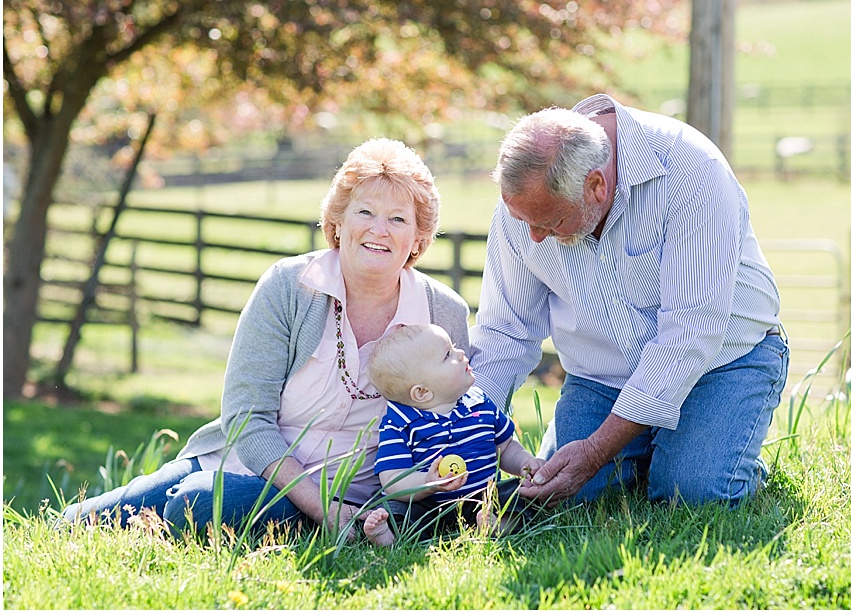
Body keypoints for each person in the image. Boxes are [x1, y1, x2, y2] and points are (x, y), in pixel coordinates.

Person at [61, 138, 471, 539]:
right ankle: (302, 522)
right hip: (249, 467)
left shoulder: (442, 312)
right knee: (84, 523)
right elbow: (247, 417)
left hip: (367, 501)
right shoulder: (288, 287)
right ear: (338, 222)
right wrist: (322, 509)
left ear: (419, 237)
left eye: (398, 219)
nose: (379, 230)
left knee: (197, 505)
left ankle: (309, 523)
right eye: (365, 211)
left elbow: (462, 419)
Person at [469, 93, 789, 507]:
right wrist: (465, 435)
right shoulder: (530, 203)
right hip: (603, 374)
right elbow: (504, 332)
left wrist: (596, 451)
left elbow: (691, 334)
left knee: (691, 494)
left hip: (720, 361)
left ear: (596, 185)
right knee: (565, 499)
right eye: (525, 222)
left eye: (551, 222)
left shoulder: (690, 169)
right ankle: (651, 454)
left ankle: (718, 455)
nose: (535, 236)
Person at [361, 323, 545, 546]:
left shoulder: (478, 401)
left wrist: (525, 463)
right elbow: (392, 479)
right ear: (422, 392)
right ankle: (386, 535)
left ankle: (496, 525)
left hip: (482, 498)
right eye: (448, 355)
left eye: (454, 348)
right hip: (429, 506)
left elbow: (505, 447)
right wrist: (427, 483)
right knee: (396, 509)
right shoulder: (401, 423)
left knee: (520, 494)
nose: (460, 353)